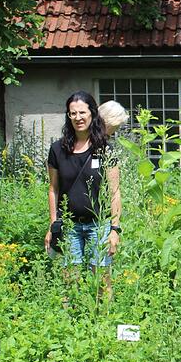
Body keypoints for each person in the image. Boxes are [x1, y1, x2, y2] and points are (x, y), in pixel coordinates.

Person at [45, 91, 121, 297]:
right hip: (70, 224)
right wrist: (54, 224)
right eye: (72, 113)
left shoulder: (105, 149)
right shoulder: (57, 149)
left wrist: (115, 229)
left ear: (92, 114)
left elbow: (115, 191)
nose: (78, 117)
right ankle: (70, 323)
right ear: (68, 116)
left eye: (82, 112)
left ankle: (103, 322)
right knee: (70, 279)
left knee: (102, 279)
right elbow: (53, 189)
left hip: (99, 224)